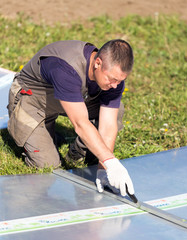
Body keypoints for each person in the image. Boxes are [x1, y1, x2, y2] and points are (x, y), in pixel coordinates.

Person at [7, 39, 135, 196]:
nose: (115, 85)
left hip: (71, 98)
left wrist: (104, 169)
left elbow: (108, 125)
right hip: (33, 100)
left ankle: (76, 154)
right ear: (98, 63)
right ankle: (43, 130)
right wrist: (112, 162)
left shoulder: (113, 79)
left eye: (120, 81)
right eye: (112, 79)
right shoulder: (65, 68)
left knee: (117, 111)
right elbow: (80, 123)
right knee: (48, 165)